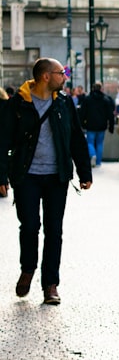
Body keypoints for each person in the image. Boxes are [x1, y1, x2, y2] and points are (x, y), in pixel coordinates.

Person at [0, 58, 93, 305]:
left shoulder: (64, 102)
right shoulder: (18, 104)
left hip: (56, 176)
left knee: (54, 230)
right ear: (46, 77)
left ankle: (50, 284)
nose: (65, 77)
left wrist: (85, 172)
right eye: (61, 73)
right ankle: (28, 269)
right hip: (26, 176)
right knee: (30, 226)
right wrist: (1, 176)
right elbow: (3, 140)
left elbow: (76, 137)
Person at [78, 82, 115, 167]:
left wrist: (82, 123)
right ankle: (98, 162)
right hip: (102, 125)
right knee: (99, 143)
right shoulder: (106, 99)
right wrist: (111, 126)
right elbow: (110, 114)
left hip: (90, 125)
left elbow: (82, 113)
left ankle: (92, 154)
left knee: (89, 142)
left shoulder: (87, 99)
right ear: (101, 89)